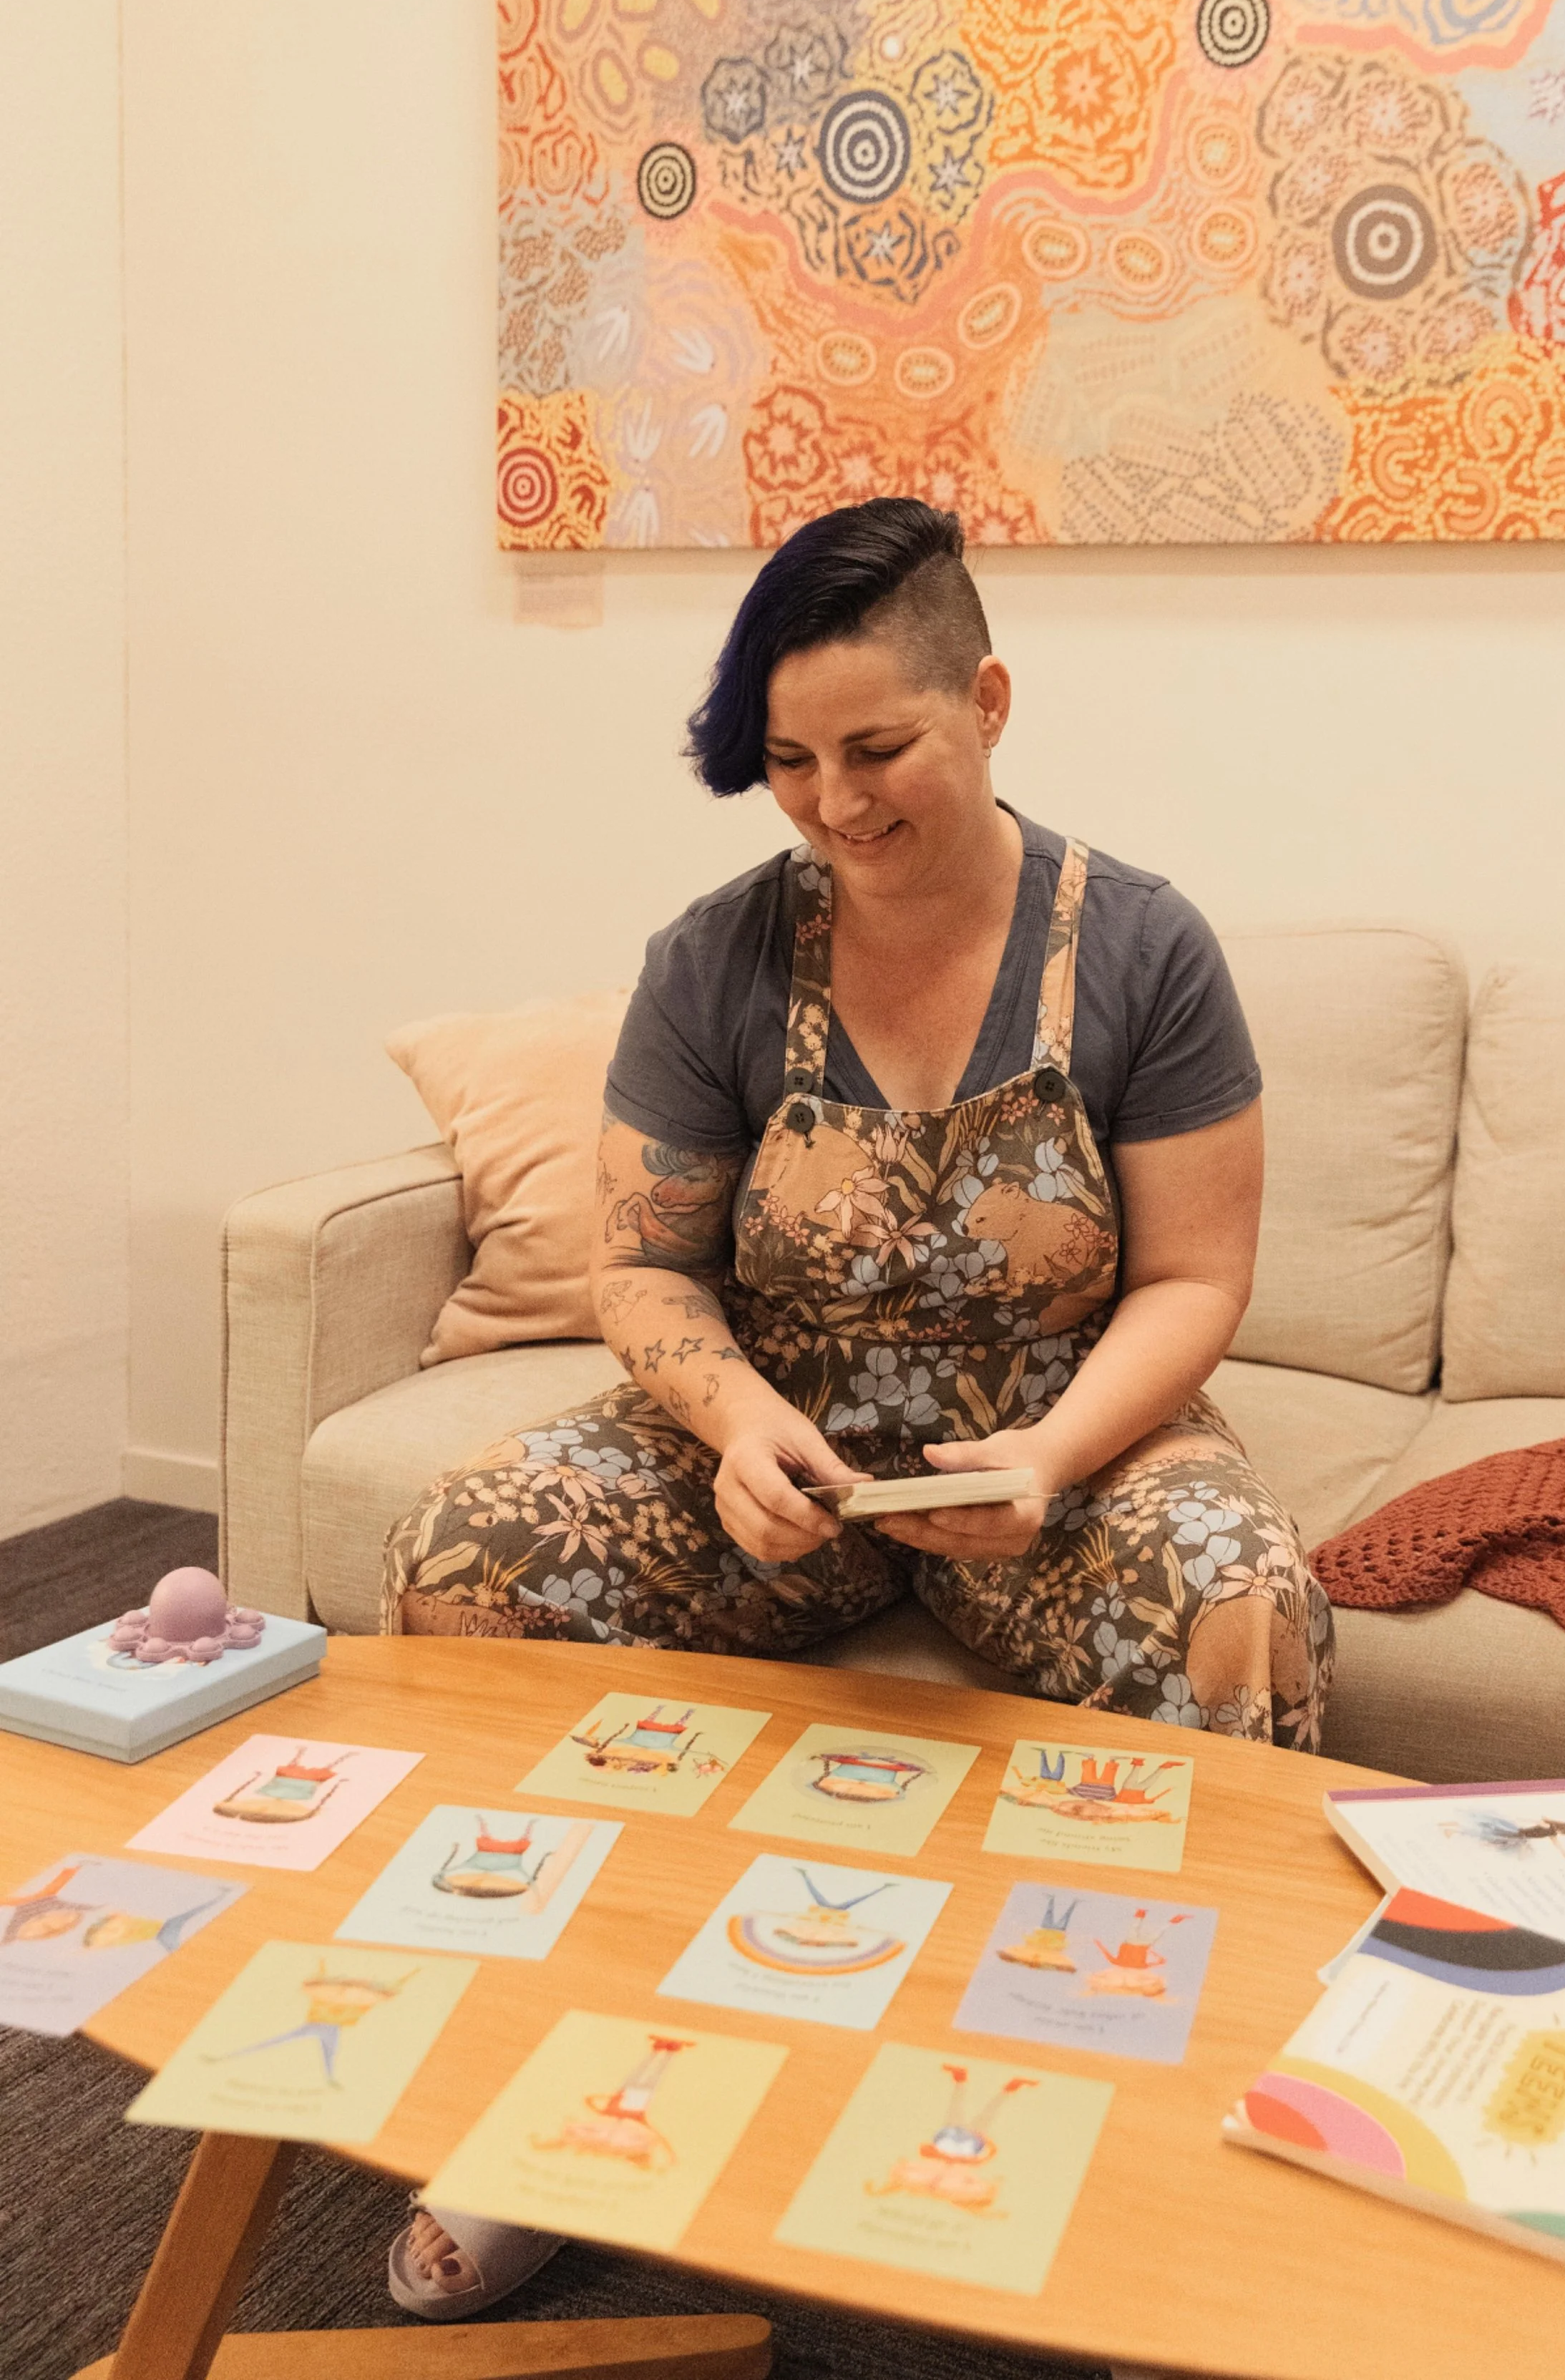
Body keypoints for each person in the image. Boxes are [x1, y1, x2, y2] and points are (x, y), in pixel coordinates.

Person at [379, 496, 1332, 2316]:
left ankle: (1152, 2146)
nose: (833, 801)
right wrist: (734, 1419)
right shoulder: (714, 956)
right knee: (464, 1546)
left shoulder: (1139, 946)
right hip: (774, 1447)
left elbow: (1194, 1279)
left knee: (1239, 1605)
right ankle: (525, 2093)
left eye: (878, 746)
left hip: (1059, 1445)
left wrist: (1052, 1456)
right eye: (789, 761)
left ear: (984, 699)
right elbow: (644, 1271)